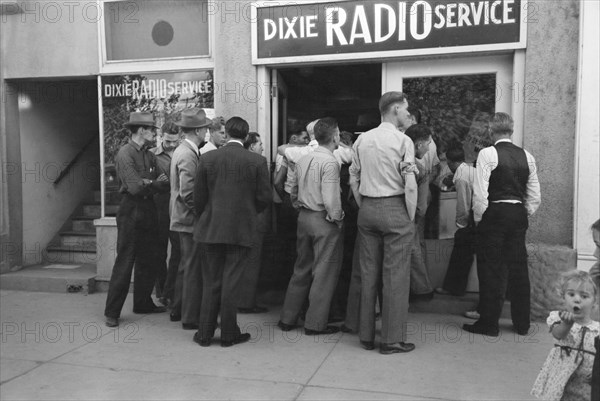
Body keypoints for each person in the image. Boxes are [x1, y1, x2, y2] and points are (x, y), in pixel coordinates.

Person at [193, 117, 271, 347]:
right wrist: (248, 213)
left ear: (225, 133)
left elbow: (198, 198)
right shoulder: (257, 161)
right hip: (240, 229)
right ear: (246, 137)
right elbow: (264, 198)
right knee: (231, 281)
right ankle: (228, 333)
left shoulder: (207, 158)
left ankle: (205, 333)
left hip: (211, 228)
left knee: (211, 281)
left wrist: (207, 216)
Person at [349, 92, 417, 354]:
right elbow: (409, 184)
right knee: (395, 276)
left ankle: (366, 335)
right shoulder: (403, 140)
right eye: (405, 109)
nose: (407, 113)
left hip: (367, 207)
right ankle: (391, 340)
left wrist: (363, 201)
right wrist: (409, 216)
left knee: (368, 273)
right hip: (395, 207)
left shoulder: (362, 139)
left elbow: (354, 177)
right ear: (396, 109)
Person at [464, 112, 541, 337]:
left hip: (495, 213)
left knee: (491, 268)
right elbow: (535, 195)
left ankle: (489, 323)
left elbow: (480, 193)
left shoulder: (488, 153)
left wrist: (480, 218)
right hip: (518, 213)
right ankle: (522, 323)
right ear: (511, 130)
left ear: (491, 131)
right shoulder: (527, 156)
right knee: (518, 268)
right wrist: (521, 211)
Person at [278, 117, 344, 335]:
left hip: (304, 217)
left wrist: (298, 206)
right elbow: (331, 198)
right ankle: (315, 324)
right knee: (323, 273)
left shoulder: (304, 158)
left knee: (301, 268)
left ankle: (287, 318)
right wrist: (338, 217)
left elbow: (293, 189)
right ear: (335, 136)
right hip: (322, 219)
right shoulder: (331, 162)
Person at [104, 112, 169, 328]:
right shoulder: (125, 153)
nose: (154, 133)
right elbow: (134, 187)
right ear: (142, 130)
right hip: (131, 211)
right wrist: (151, 184)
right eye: (152, 129)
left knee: (148, 260)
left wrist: (148, 183)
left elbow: (164, 181)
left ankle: (142, 303)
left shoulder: (149, 155)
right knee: (125, 261)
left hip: (148, 209)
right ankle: (112, 312)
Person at [169, 108, 212, 330]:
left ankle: (178, 309)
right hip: (188, 220)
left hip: (182, 219)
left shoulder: (184, 150)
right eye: (205, 128)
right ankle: (190, 317)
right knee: (193, 269)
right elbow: (188, 193)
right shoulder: (187, 153)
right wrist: (202, 214)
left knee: (186, 267)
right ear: (197, 130)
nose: (207, 131)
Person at [532, 270, 599, 401]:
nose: (577, 299)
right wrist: (567, 324)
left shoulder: (597, 329)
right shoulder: (558, 317)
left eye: (584, 296)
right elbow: (558, 334)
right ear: (563, 297)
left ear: (594, 302)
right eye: (571, 294)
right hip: (561, 377)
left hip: (586, 382)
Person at [435, 146, 477, 297]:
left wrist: (461, 226)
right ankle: (456, 287)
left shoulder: (461, 177)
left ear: (451, 162)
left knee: (461, 253)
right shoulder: (470, 170)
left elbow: (463, 206)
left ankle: (453, 288)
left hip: (472, 219)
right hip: (482, 216)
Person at [238, 132, 269, 314]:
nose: (262, 147)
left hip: (240, 218)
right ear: (251, 146)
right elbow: (264, 195)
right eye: (260, 144)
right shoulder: (259, 163)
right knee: (252, 261)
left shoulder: (238, 163)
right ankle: (247, 302)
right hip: (256, 218)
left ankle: (241, 299)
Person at [151, 122, 182, 307]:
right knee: (159, 252)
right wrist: (154, 181)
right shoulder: (152, 155)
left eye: (175, 141)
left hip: (177, 209)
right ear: (161, 136)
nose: (171, 145)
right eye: (168, 141)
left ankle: (171, 292)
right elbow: (144, 180)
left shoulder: (183, 152)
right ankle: (161, 291)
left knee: (178, 252)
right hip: (159, 208)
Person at [404, 124, 435, 301]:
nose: (430, 147)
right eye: (428, 143)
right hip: (410, 218)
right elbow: (421, 206)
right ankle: (421, 290)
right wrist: (413, 219)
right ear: (418, 145)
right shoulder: (420, 170)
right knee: (414, 251)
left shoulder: (394, 162)